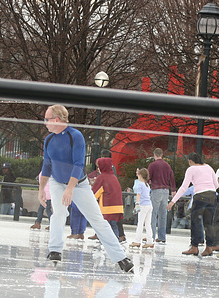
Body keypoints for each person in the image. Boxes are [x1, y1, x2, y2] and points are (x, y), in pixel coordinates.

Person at [37, 104, 133, 273]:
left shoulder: (76, 136)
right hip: (57, 183)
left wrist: (70, 188)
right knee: (58, 213)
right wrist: (41, 190)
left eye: (47, 119)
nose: (45, 123)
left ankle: (121, 258)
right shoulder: (49, 140)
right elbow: (46, 166)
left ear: (57, 120)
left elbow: (78, 164)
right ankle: (55, 250)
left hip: (79, 185)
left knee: (97, 219)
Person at [166, 152, 218, 256]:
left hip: (200, 196)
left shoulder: (191, 169)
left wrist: (173, 201)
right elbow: (216, 184)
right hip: (212, 196)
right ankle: (209, 247)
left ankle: (194, 247)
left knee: (196, 221)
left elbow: (184, 187)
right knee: (209, 223)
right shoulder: (209, 167)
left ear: (190, 161)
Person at [91, 157, 124, 239]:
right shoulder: (113, 177)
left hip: (107, 208)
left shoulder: (102, 177)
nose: (98, 169)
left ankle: (107, 244)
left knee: (105, 228)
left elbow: (94, 194)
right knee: (114, 226)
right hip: (118, 207)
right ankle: (116, 242)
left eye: (99, 166)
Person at [148, 148, 176, 244]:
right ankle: (162, 237)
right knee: (163, 215)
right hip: (165, 191)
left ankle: (151, 235)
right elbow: (172, 177)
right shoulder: (167, 165)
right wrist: (173, 190)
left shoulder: (152, 165)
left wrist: (147, 185)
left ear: (154, 155)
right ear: (162, 154)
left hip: (156, 190)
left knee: (153, 213)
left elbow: (148, 177)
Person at [129, 168, 154, 249]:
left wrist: (137, 204)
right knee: (147, 223)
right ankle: (150, 241)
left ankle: (137, 241)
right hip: (149, 205)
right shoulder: (147, 185)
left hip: (143, 206)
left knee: (140, 223)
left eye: (138, 174)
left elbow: (138, 195)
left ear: (141, 175)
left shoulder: (140, 184)